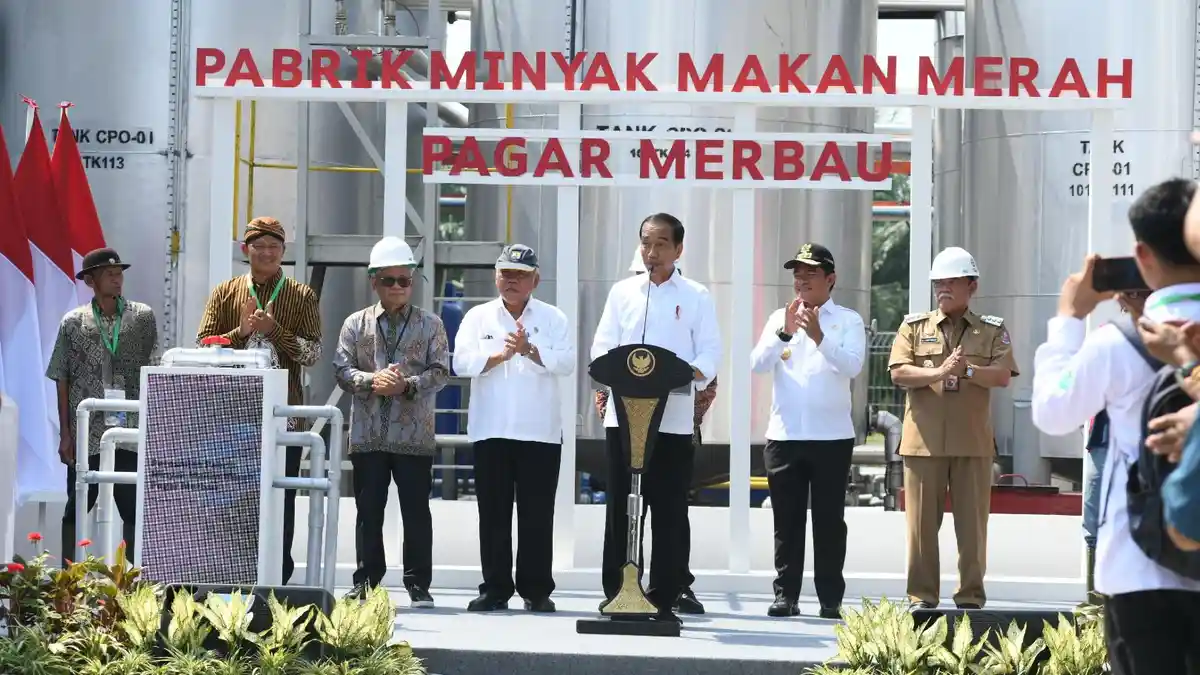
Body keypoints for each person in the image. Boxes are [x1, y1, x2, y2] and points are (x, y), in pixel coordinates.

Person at [1031, 178, 1200, 674]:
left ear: (1142, 257)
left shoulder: (1116, 342)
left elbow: (1052, 412)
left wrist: (1067, 318)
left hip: (1136, 562)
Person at [590, 213, 723, 624]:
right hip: (624, 419)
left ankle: (664, 595)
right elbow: (601, 350)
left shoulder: (697, 295)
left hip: (673, 421)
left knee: (668, 510)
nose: (652, 252)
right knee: (621, 509)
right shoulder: (623, 292)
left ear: (679, 249)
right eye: (647, 243)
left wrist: (685, 373)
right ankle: (619, 592)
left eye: (662, 244)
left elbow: (711, 356)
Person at [888, 246, 1017, 610]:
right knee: (920, 530)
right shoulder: (913, 327)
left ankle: (971, 598)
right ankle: (921, 597)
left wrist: (969, 372)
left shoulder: (991, 329)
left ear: (971, 285)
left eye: (951, 281)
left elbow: (1004, 375)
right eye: (938, 283)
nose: (942, 289)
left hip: (972, 443)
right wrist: (939, 372)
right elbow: (899, 372)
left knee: (972, 530)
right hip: (923, 443)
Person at [196, 216, 322, 585]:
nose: (267, 253)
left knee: (281, 499)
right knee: (230, 497)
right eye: (259, 246)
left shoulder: (301, 296)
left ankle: (278, 577)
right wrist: (242, 331)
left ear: (284, 252)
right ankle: (228, 574)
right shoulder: (224, 292)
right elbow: (202, 345)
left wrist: (274, 331)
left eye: (274, 247)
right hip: (230, 416)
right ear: (245, 250)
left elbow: (312, 354)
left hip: (284, 417)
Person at [454, 244, 575, 613]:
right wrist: (500, 355)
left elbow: (568, 362)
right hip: (491, 430)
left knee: (537, 514)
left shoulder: (553, 318)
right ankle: (495, 588)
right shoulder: (478, 316)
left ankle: (536, 590)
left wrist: (528, 349)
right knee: (493, 513)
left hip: (539, 432)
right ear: (496, 276)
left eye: (520, 275)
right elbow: (460, 363)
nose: (511, 280)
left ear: (535, 279)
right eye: (506, 273)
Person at [750, 243, 866, 619]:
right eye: (797, 273)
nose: (801, 280)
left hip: (831, 437)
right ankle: (786, 595)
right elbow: (757, 364)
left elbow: (851, 366)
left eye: (810, 273)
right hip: (784, 436)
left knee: (829, 521)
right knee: (786, 521)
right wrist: (784, 333)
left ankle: (830, 598)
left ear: (830, 279)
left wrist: (818, 336)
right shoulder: (779, 318)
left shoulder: (847, 320)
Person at [333, 236, 449, 608]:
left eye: (405, 280)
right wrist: (372, 381)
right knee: (368, 511)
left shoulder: (431, 324)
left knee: (417, 511)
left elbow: (441, 371)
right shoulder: (355, 323)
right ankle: (366, 581)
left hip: (414, 434)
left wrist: (406, 385)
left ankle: (418, 583)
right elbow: (341, 369)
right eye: (390, 280)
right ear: (374, 282)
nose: (398, 287)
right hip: (368, 434)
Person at [47, 247, 158, 564]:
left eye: (119, 273)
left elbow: (155, 369)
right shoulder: (73, 323)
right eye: (109, 274)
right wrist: (66, 434)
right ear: (91, 280)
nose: (117, 279)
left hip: (131, 430)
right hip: (88, 432)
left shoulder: (142, 317)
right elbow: (61, 376)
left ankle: (136, 583)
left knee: (133, 506)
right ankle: (69, 578)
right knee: (78, 506)